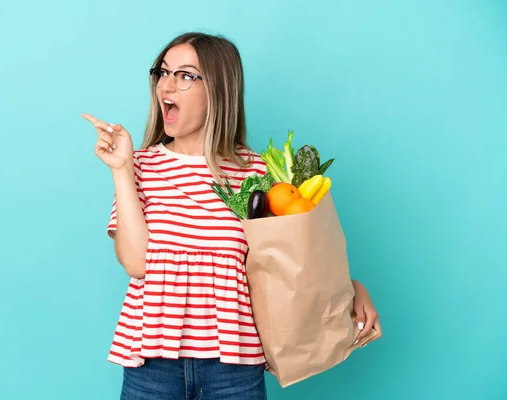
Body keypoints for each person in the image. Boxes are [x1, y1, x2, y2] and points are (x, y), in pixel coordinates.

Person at [83, 32, 382, 400]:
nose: (167, 84)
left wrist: (352, 289)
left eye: (185, 75)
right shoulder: (139, 166)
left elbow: (290, 262)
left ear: (219, 89)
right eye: (163, 73)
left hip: (235, 368)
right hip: (152, 366)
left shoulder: (256, 172)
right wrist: (121, 168)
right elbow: (137, 263)